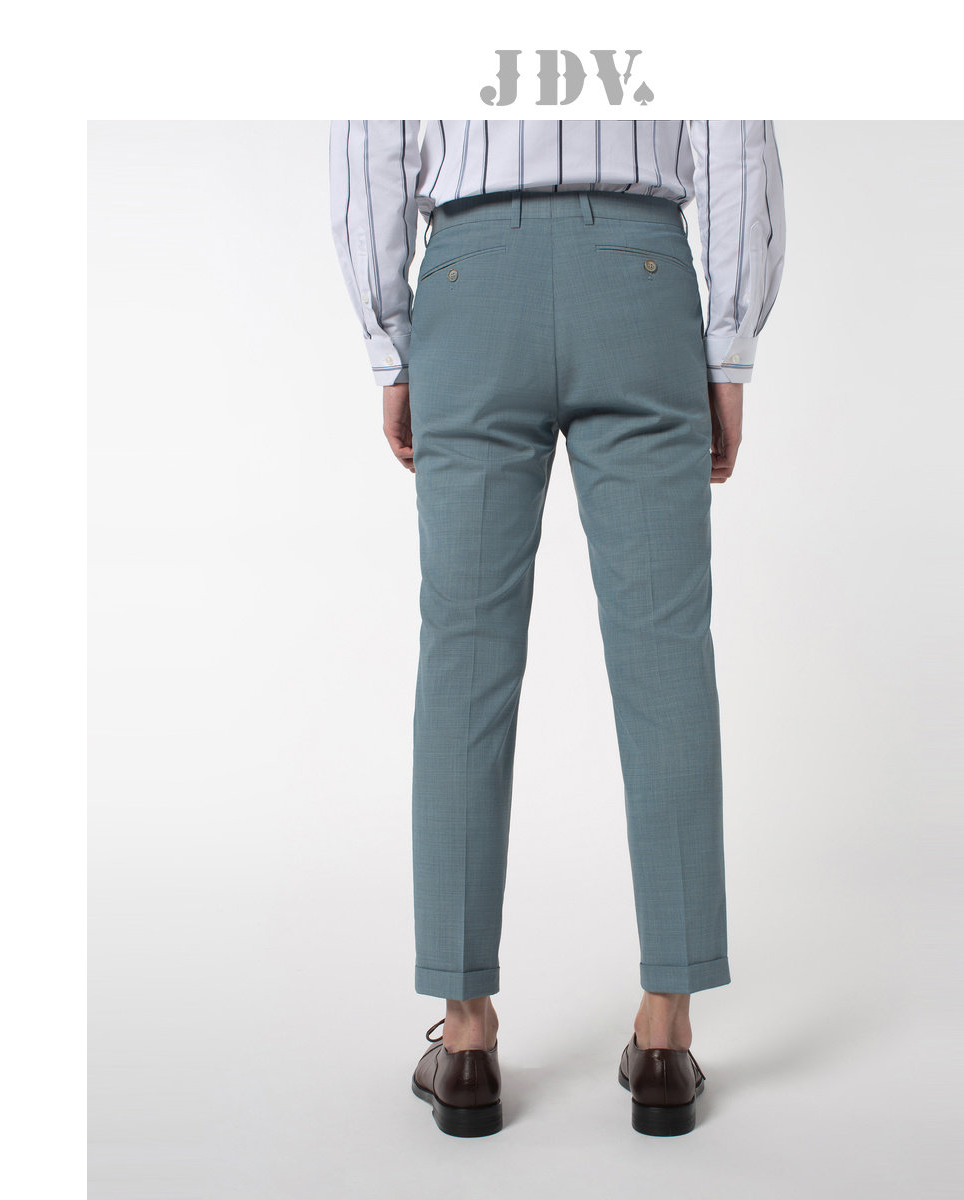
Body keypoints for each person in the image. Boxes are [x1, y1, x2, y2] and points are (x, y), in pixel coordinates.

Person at [329, 119, 785, 1137]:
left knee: (463, 655)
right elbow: (734, 136)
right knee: (666, 652)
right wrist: (729, 349)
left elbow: (370, 137)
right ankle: (666, 1032)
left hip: (471, 284)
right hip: (639, 279)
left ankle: (465, 1035)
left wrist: (390, 342)